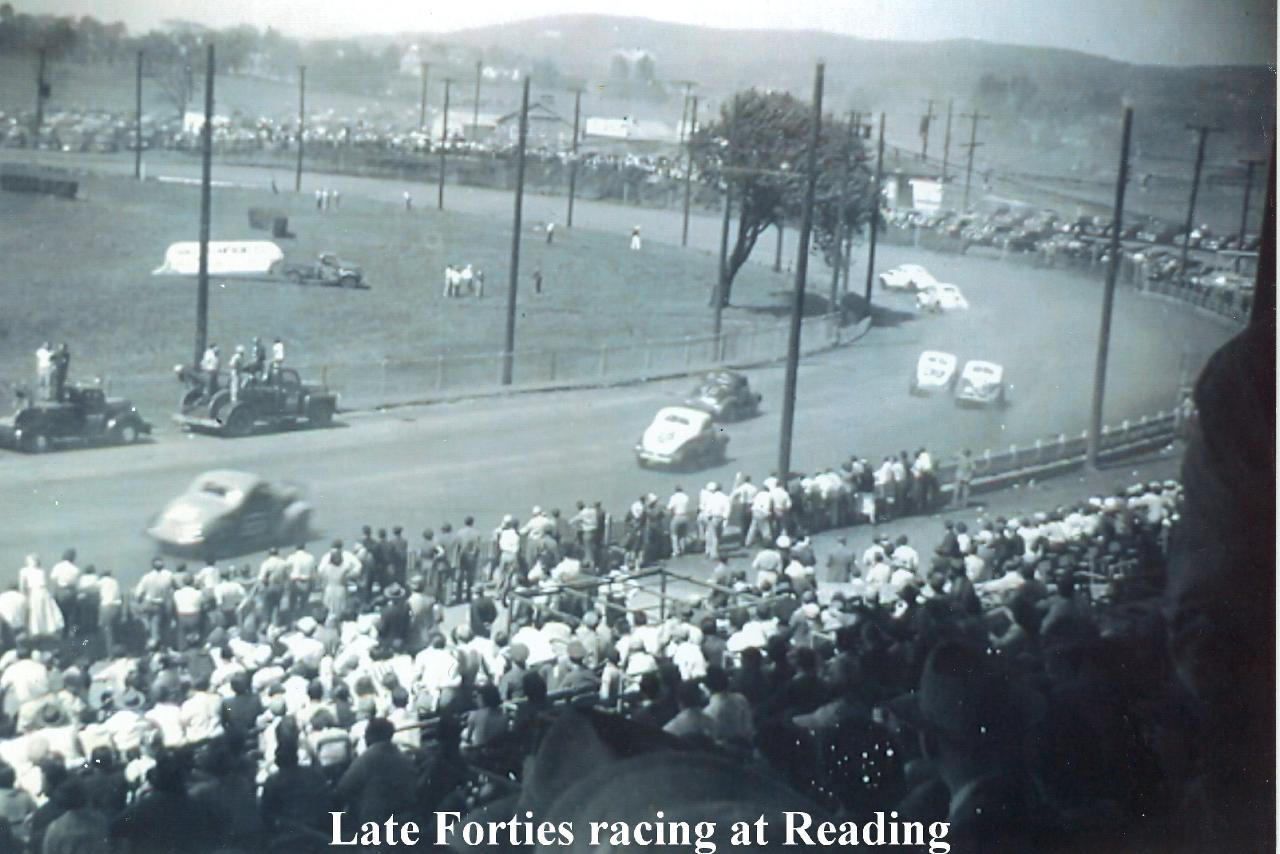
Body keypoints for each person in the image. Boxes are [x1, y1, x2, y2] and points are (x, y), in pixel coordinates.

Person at [19, 554, 64, 639]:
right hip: (38, 591)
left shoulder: (34, 571)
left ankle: (41, 629)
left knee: (41, 610)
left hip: (39, 591)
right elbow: (23, 585)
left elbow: (22, 585)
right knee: (40, 610)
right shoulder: (31, 571)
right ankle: (41, 629)